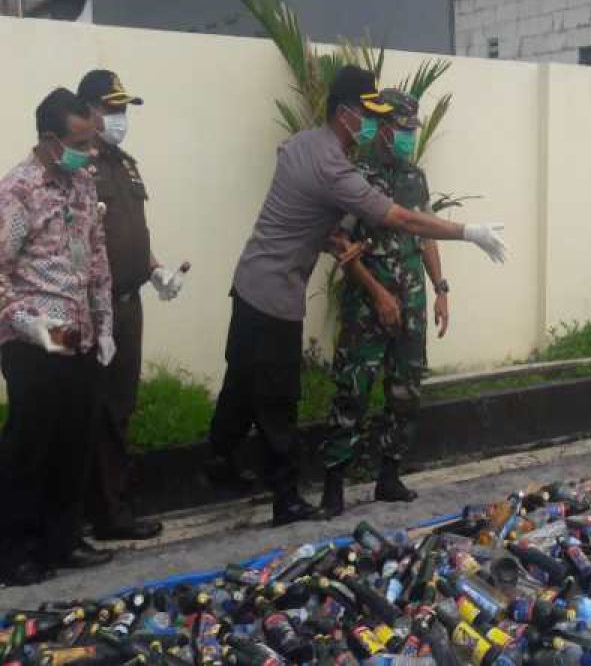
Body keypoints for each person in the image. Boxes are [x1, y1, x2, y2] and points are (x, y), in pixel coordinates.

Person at [205, 66, 506, 527]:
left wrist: (333, 240)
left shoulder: (301, 145)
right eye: (370, 114)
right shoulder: (335, 167)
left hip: (254, 283)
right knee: (279, 398)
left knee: (243, 385)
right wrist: (469, 231)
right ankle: (284, 499)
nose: (376, 124)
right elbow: (402, 220)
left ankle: (220, 464)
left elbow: (314, 216)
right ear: (346, 115)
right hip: (273, 294)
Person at [0, 88, 116, 586]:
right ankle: (14, 551)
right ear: (49, 140)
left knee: (74, 440)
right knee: (31, 447)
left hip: (80, 336)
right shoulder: (18, 191)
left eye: (92, 142)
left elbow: (96, 255)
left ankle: (62, 540)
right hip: (34, 341)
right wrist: (27, 321)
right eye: (80, 142)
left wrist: (104, 321)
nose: (90, 153)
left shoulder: (83, 184)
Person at [319, 90, 449, 516]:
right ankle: (334, 484)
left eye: (413, 129)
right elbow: (338, 240)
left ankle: (389, 476)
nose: (410, 136)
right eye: (404, 129)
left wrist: (441, 288)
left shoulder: (415, 177)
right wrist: (376, 293)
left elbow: (426, 234)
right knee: (353, 391)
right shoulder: (355, 177)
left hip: (411, 300)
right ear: (384, 126)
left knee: (407, 390)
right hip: (368, 302)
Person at [76, 70, 183, 543]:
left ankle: (113, 507)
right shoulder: (78, 167)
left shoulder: (125, 164)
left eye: (123, 109)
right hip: (91, 309)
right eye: (111, 108)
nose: (119, 118)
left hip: (129, 302)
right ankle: (104, 513)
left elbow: (133, 230)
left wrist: (156, 270)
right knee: (92, 407)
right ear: (88, 112)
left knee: (120, 405)